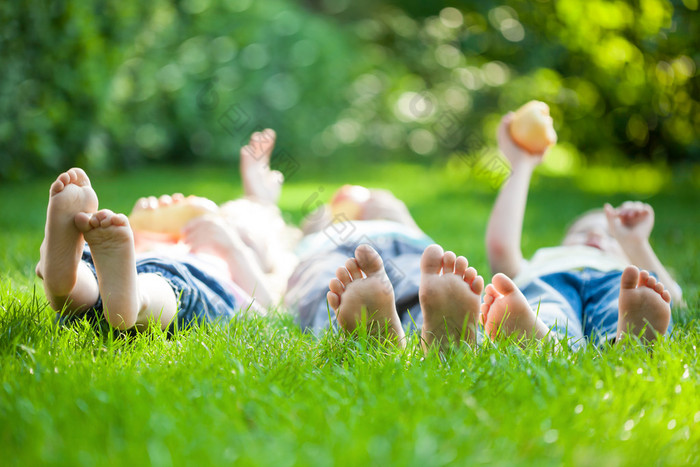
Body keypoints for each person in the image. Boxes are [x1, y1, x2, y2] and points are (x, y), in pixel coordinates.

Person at [35, 129, 299, 331]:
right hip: (129, 267)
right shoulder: (175, 243)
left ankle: (130, 300)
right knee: (96, 271)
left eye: (246, 238)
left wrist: (233, 249)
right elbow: (121, 255)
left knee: (164, 285)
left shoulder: (234, 272)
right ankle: (66, 282)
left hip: (185, 278)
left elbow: (270, 309)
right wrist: (137, 230)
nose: (221, 229)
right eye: (225, 221)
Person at [480, 112, 680, 347]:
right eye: (582, 232)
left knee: (623, 304)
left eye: (610, 236)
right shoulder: (543, 261)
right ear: (563, 243)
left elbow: (673, 298)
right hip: (549, 282)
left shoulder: (628, 269)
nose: (595, 234)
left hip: (616, 283)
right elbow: (500, 248)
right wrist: (521, 164)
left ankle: (630, 340)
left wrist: (636, 243)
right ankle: (542, 338)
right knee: (546, 307)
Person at [285, 188, 485, 353]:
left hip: (401, 242)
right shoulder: (314, 233)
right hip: (332, 248)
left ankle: (439, 330)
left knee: (422, 281)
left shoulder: (401, 225)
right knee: (330, 283)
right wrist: (312, 228)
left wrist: (402, 221)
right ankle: (446, 342)